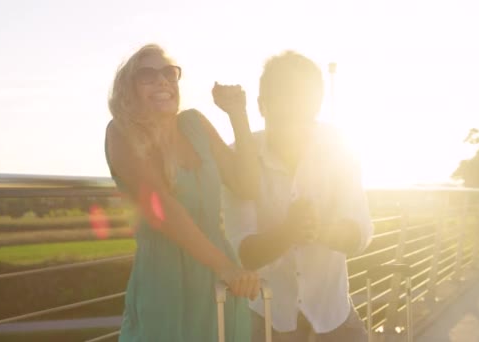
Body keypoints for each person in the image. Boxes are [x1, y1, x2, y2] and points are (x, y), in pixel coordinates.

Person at [105, 44, 261, 342]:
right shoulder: (120, 132)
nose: (162, 81)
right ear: (129, 89)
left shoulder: (195, 124)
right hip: (166, 284)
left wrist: (238, 114)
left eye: (168, 73)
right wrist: (225, 267)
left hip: (221, 281)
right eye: (147, 75)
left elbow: (247, 185)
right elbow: (161, 207)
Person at [224, 51, 374, 341]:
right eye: (284, 105)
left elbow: (361, 231)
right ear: (261, 105)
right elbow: (242, 253)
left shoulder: (340, 147)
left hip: (333, 312)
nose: (294, 119)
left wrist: (318, 231)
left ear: (317, 105)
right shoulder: (239, 155)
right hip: (267, 318)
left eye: (305, 107)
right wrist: (289, 232)